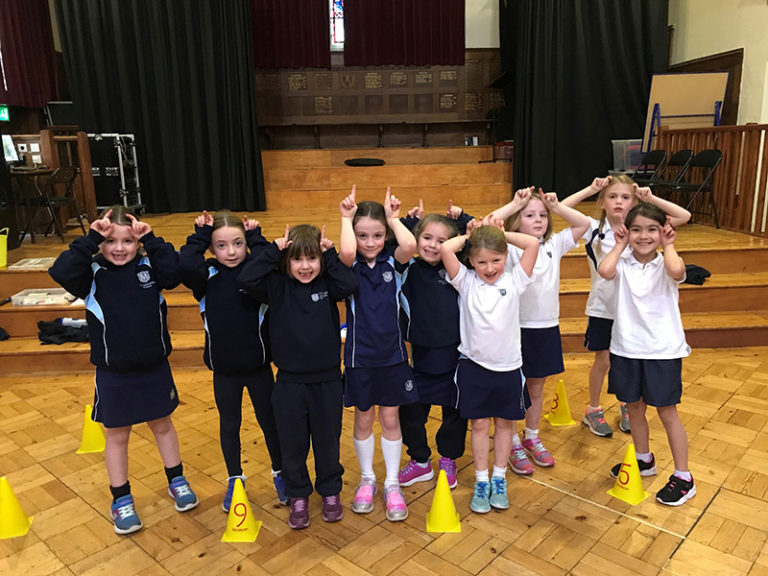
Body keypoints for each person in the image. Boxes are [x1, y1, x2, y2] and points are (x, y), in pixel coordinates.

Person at [48, 206, 198, 535]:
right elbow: (59, 271)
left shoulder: (150, 266)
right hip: (114, 374)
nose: (119, 248)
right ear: (100, 243)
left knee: (163, 425)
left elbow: (175, 272)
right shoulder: (90, 273)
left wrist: (151, 239)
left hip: (154, 368)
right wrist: (90, 239)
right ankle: (121, 499)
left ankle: (177, 480)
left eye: (128, 241)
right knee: (117, 437)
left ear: (138, 242)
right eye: (110, 241)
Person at [238, 224, 358, 529]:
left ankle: (330, 491)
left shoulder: (328, 283)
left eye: (312, 259)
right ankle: (298, 493)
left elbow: (349, 285)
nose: (305, 266)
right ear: (286, 262)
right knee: (292, 444)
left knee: (327, 441)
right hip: (289, 383)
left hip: (328, 381)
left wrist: (330, 254)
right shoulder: (277, 286)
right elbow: (246, 277)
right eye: (297, 259)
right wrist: (273, 250)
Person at [562, 175, 691, 437]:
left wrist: (650, 198)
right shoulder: (593, 227)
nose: (619, 202)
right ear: (602, 202)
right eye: (612, 196)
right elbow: (562, 207)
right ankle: (594, 408)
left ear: (634, 202)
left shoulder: (641, 228)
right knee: (604, 360)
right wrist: (590, 188)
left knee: (626, 362)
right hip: (603, 308)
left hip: (634, 313)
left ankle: (627, 406)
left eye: (625, 197)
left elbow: (683, 215)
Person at [178, 210, 286, 512]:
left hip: (260, 368)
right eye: (222, 245)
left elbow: (271, 258)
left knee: (270, 423)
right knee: (230, 425)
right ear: (212, 249)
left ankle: (280, 473)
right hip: (224, 372)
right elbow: (185, 264)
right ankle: (235, 479)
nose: (231, 252)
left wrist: (256, 236)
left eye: (238, 243)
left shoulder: (256, 270)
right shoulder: (207, 277)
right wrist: (199, 236)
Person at [599, 202, 695, 506]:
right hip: (627, 348)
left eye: (651, 229)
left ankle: (684, 477)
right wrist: (620, 243)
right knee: (634, 406)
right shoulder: (623, 262)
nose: (643, 236)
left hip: (662, 350)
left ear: (662, 231)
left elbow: (677, 270)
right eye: (636, 229)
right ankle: (644, 459)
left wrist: (669, 244)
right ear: (627, 231)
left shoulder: (667, 262)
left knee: (667, 411)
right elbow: (605, 270)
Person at [440, 221, 538, 513]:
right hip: (474, 367)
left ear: (506, 256)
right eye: (481, 261)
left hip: (509, 368)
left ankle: (499, 478)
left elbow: (532, 244)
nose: (490, 267)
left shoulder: (514, 280)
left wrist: (498, 234)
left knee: (505, 424)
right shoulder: (465, 281)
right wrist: (472, 235)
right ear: (470, 261)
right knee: (480, 424)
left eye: (496, 259)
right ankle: (481, 481)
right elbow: (446, 248)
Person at [490, 186, 589, 474]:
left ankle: (531, 436)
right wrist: (512, 204)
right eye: (530, 215)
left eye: (542, 215)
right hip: (514, 328)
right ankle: (512, 443)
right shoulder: (506, 248)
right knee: (513, 386)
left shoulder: (553, 244)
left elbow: (582, 223)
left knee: (536, 385)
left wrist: (555, 206)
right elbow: (487, 225)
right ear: (515, 221)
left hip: (545, 327)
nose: (538, 219)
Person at [338, 186, 417, 522]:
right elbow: (344, 251)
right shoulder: (350, 264)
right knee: (364, 418)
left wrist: (394, 218)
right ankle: (368, 478)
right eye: (362, 236)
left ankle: (392, 483)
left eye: (377, 235)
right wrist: (345, 219)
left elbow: (410, 245)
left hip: (393, 358)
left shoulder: (392, 263)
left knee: (390, 419)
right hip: (359, 359)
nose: (369, 242)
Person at [396, 200, 474, 490]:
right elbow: (396, 242)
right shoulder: (408, 268)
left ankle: (448, 458)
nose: (432, 245)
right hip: (420, 357)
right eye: (426, 238)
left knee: (454, 413)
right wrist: (406, 220)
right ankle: (419, 460)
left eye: (442, 240)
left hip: (456, 355)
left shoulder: (459, 268)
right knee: (411, 412)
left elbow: (479, 238)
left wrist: (463, 217)